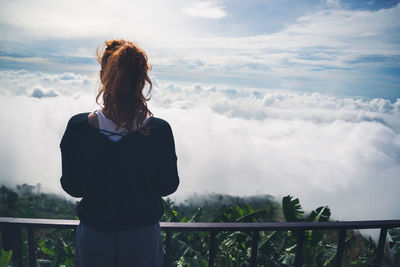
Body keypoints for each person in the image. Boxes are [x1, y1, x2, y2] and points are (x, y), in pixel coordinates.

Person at [59, 39, 179, 267]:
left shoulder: (78, 128)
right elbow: (168, 186)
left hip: (95, 235)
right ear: (142, 80)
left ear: (104, 76)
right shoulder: (159, 131)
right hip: (141, 236)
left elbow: (73, 187)